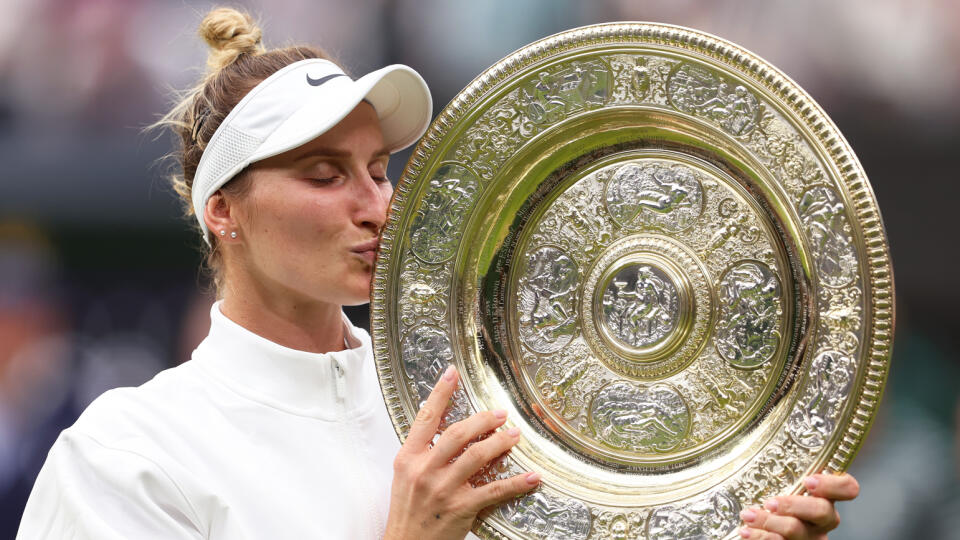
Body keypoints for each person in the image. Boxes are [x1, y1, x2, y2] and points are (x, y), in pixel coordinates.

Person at [18, 7, 859, 540]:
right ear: (223, 213)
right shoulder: (126, 455)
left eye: (379, 169)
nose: (375, 204)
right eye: (322, 175)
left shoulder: (483, 412)